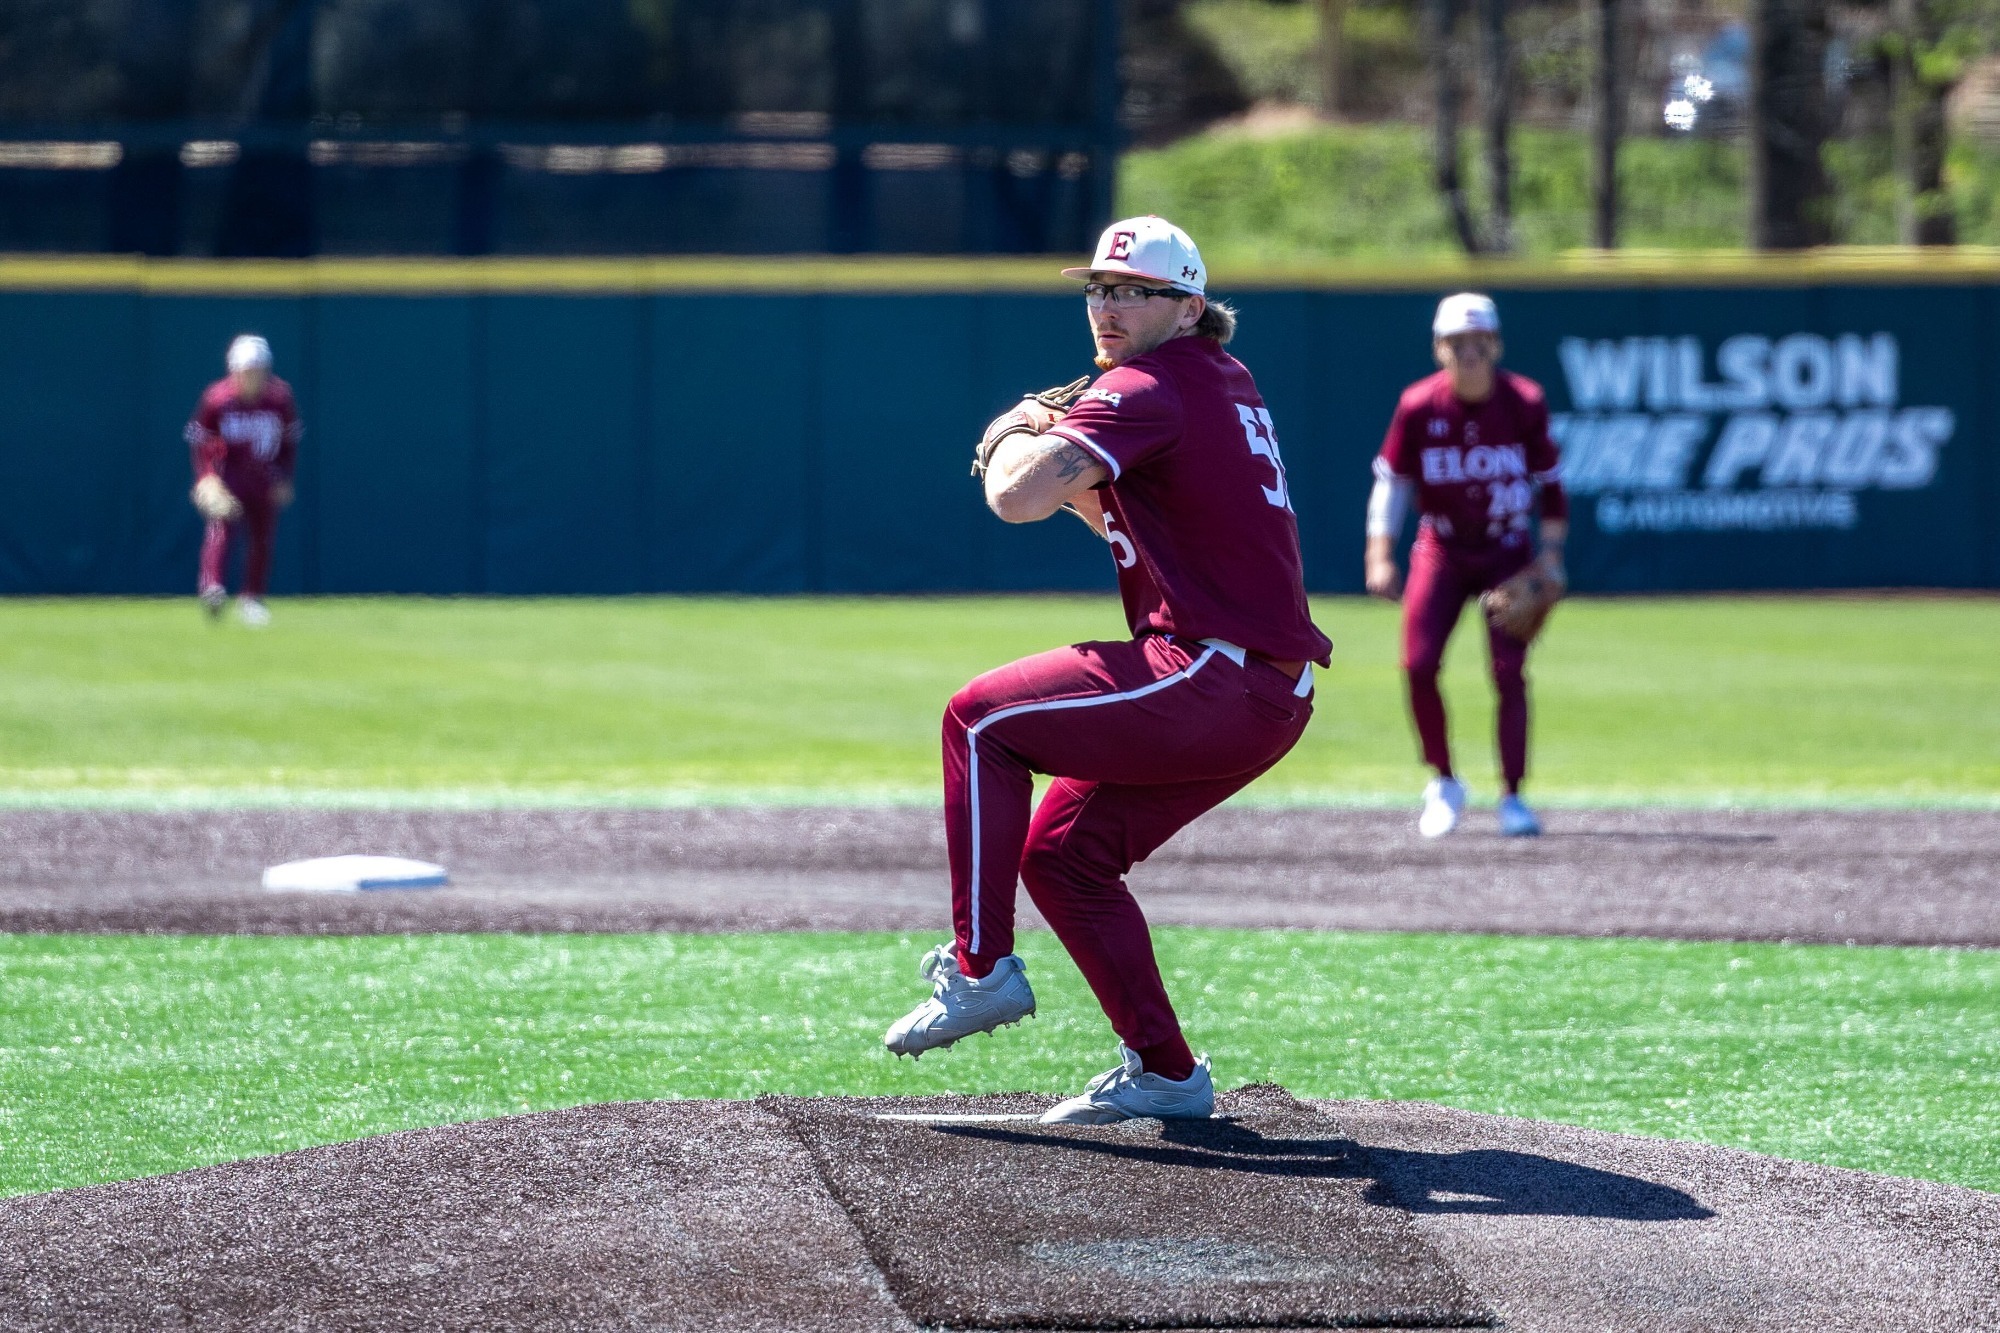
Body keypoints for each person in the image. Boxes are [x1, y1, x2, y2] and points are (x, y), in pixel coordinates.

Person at [882, 216, 1331, 1125]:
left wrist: (1011, 431)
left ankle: (978, 971)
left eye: (1134, 291)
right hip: (1265, 689)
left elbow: (1014, 497)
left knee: (978, 719)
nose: (1107, 306)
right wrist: (1074, 474)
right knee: (1065, 857)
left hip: (1212, 672)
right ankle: (1167, 1071)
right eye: (1098, 288)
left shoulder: (1149, 384)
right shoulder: (1219, 379)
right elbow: (1132, 520)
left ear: (1189, 306)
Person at [1365, 293, 1568, 838]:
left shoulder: (1524, 401)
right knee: (1418, 664)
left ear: (1496, 345)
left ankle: (1513, 795)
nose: (1469, 353)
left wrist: (1550, 557)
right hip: (1443, 547)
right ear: (1439, 349)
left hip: (1507, 549)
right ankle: (1444, 781)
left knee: (1508, 672)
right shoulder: (1418, 405)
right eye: (1457, 343)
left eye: (1479, 342)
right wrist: (1379, 552)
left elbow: (1551, 486)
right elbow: (1393, 483)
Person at [186, 334, 301, 626]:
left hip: (265, 475)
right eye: (247, 371)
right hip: (229, 475)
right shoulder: (217, 399)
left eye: (259, 370)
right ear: (234, 370)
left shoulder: (279, 399)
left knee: (262, 537)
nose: (253, 377)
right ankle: (213, 587)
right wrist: (206, 478)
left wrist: (285, 476)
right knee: (222, 528)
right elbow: (199, 440)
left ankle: (252, 598)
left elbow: (290, 441)